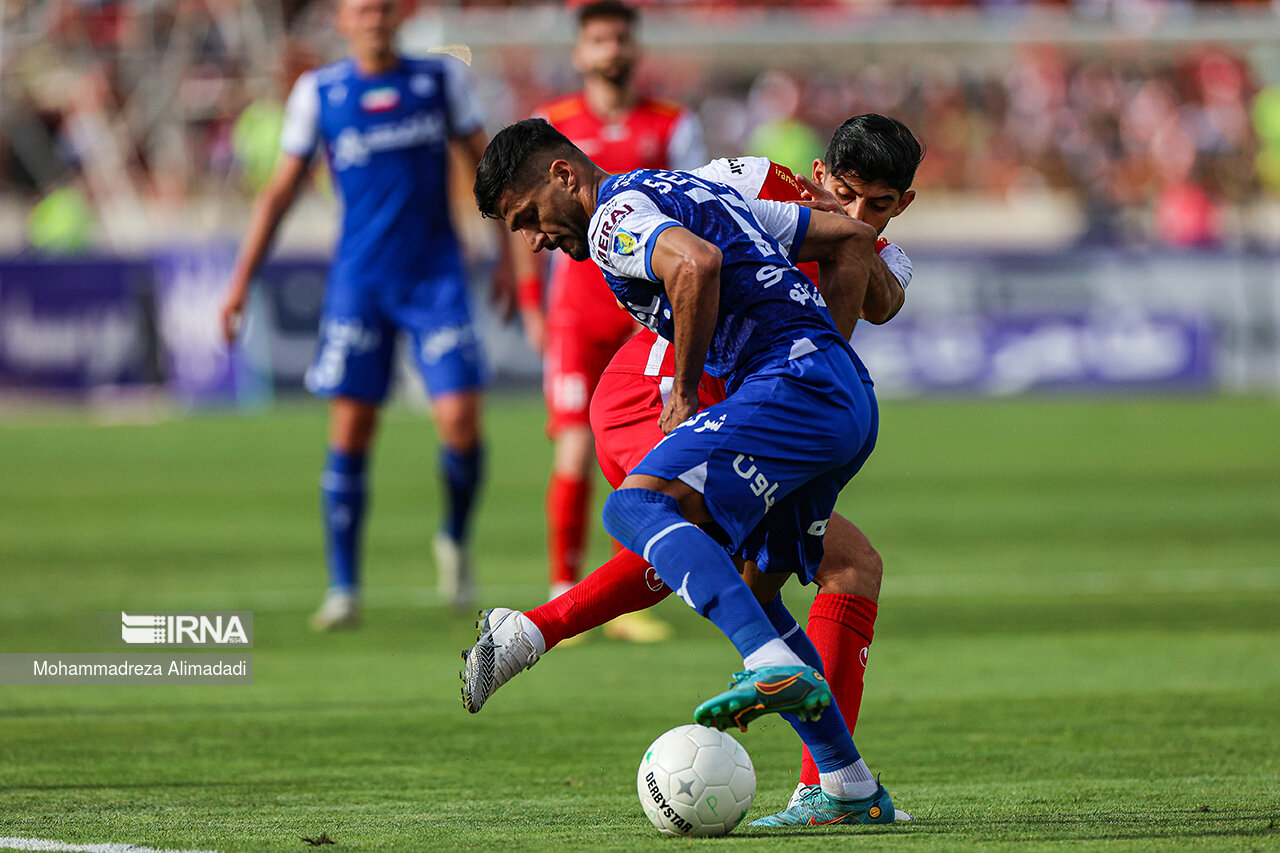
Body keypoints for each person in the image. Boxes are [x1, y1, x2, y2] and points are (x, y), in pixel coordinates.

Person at [460, 116, 921, 815]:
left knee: (638, 509)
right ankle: (846, 784)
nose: (534, 240)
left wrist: (687, 389)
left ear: (562, 176)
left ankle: (757, 663)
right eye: (845, 192)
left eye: (528, 220)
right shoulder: (736, 181)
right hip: (830, 398)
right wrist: (821, 357)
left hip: (754, 389)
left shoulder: (617, 210)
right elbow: (823, 242)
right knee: (766, 578)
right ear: (821, 174)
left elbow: (698, 262)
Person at [217, 0, 512, 629]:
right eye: (360, 10)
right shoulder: (318, 92)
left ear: (397, 18)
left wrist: (509, 258)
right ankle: (344, 586)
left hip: (436, 276)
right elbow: (281, 190)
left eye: (381, 8)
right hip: (361, 281)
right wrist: (240, 282)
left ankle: (454, 539)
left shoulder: (439, 80)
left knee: (461, 420)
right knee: (351, 429)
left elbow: (487, 168)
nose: (373, 18)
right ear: (343, 21)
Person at [520, 1, 706, 635]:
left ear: (636, 48)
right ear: (580, 52)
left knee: (643, 456)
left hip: (646, 314)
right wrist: (529, 301)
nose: (610, 50)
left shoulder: (672, 125)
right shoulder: (553, 127)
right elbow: (526, 221)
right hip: (577, 314)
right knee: (573, 448)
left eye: (620, 38)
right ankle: (561, 585)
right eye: (598, 39)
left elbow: (691, 206)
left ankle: (619, 592)